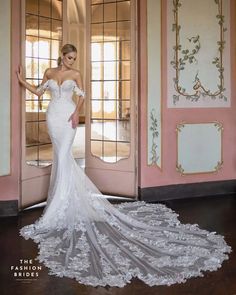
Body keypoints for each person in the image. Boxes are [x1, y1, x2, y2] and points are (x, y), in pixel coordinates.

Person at [18, 44, 231, 288]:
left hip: (67, 117)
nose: (71, 61)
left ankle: (61, 205)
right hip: (53, 116)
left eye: (74, 58)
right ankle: (63, 203)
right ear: (61, 56)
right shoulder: (48, 72)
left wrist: (77, 113)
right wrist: (21, 80)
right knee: (61, 157)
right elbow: (36, 92)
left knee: (65, 156)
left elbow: (83, 96)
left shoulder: (75, 74)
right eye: (68, 57)